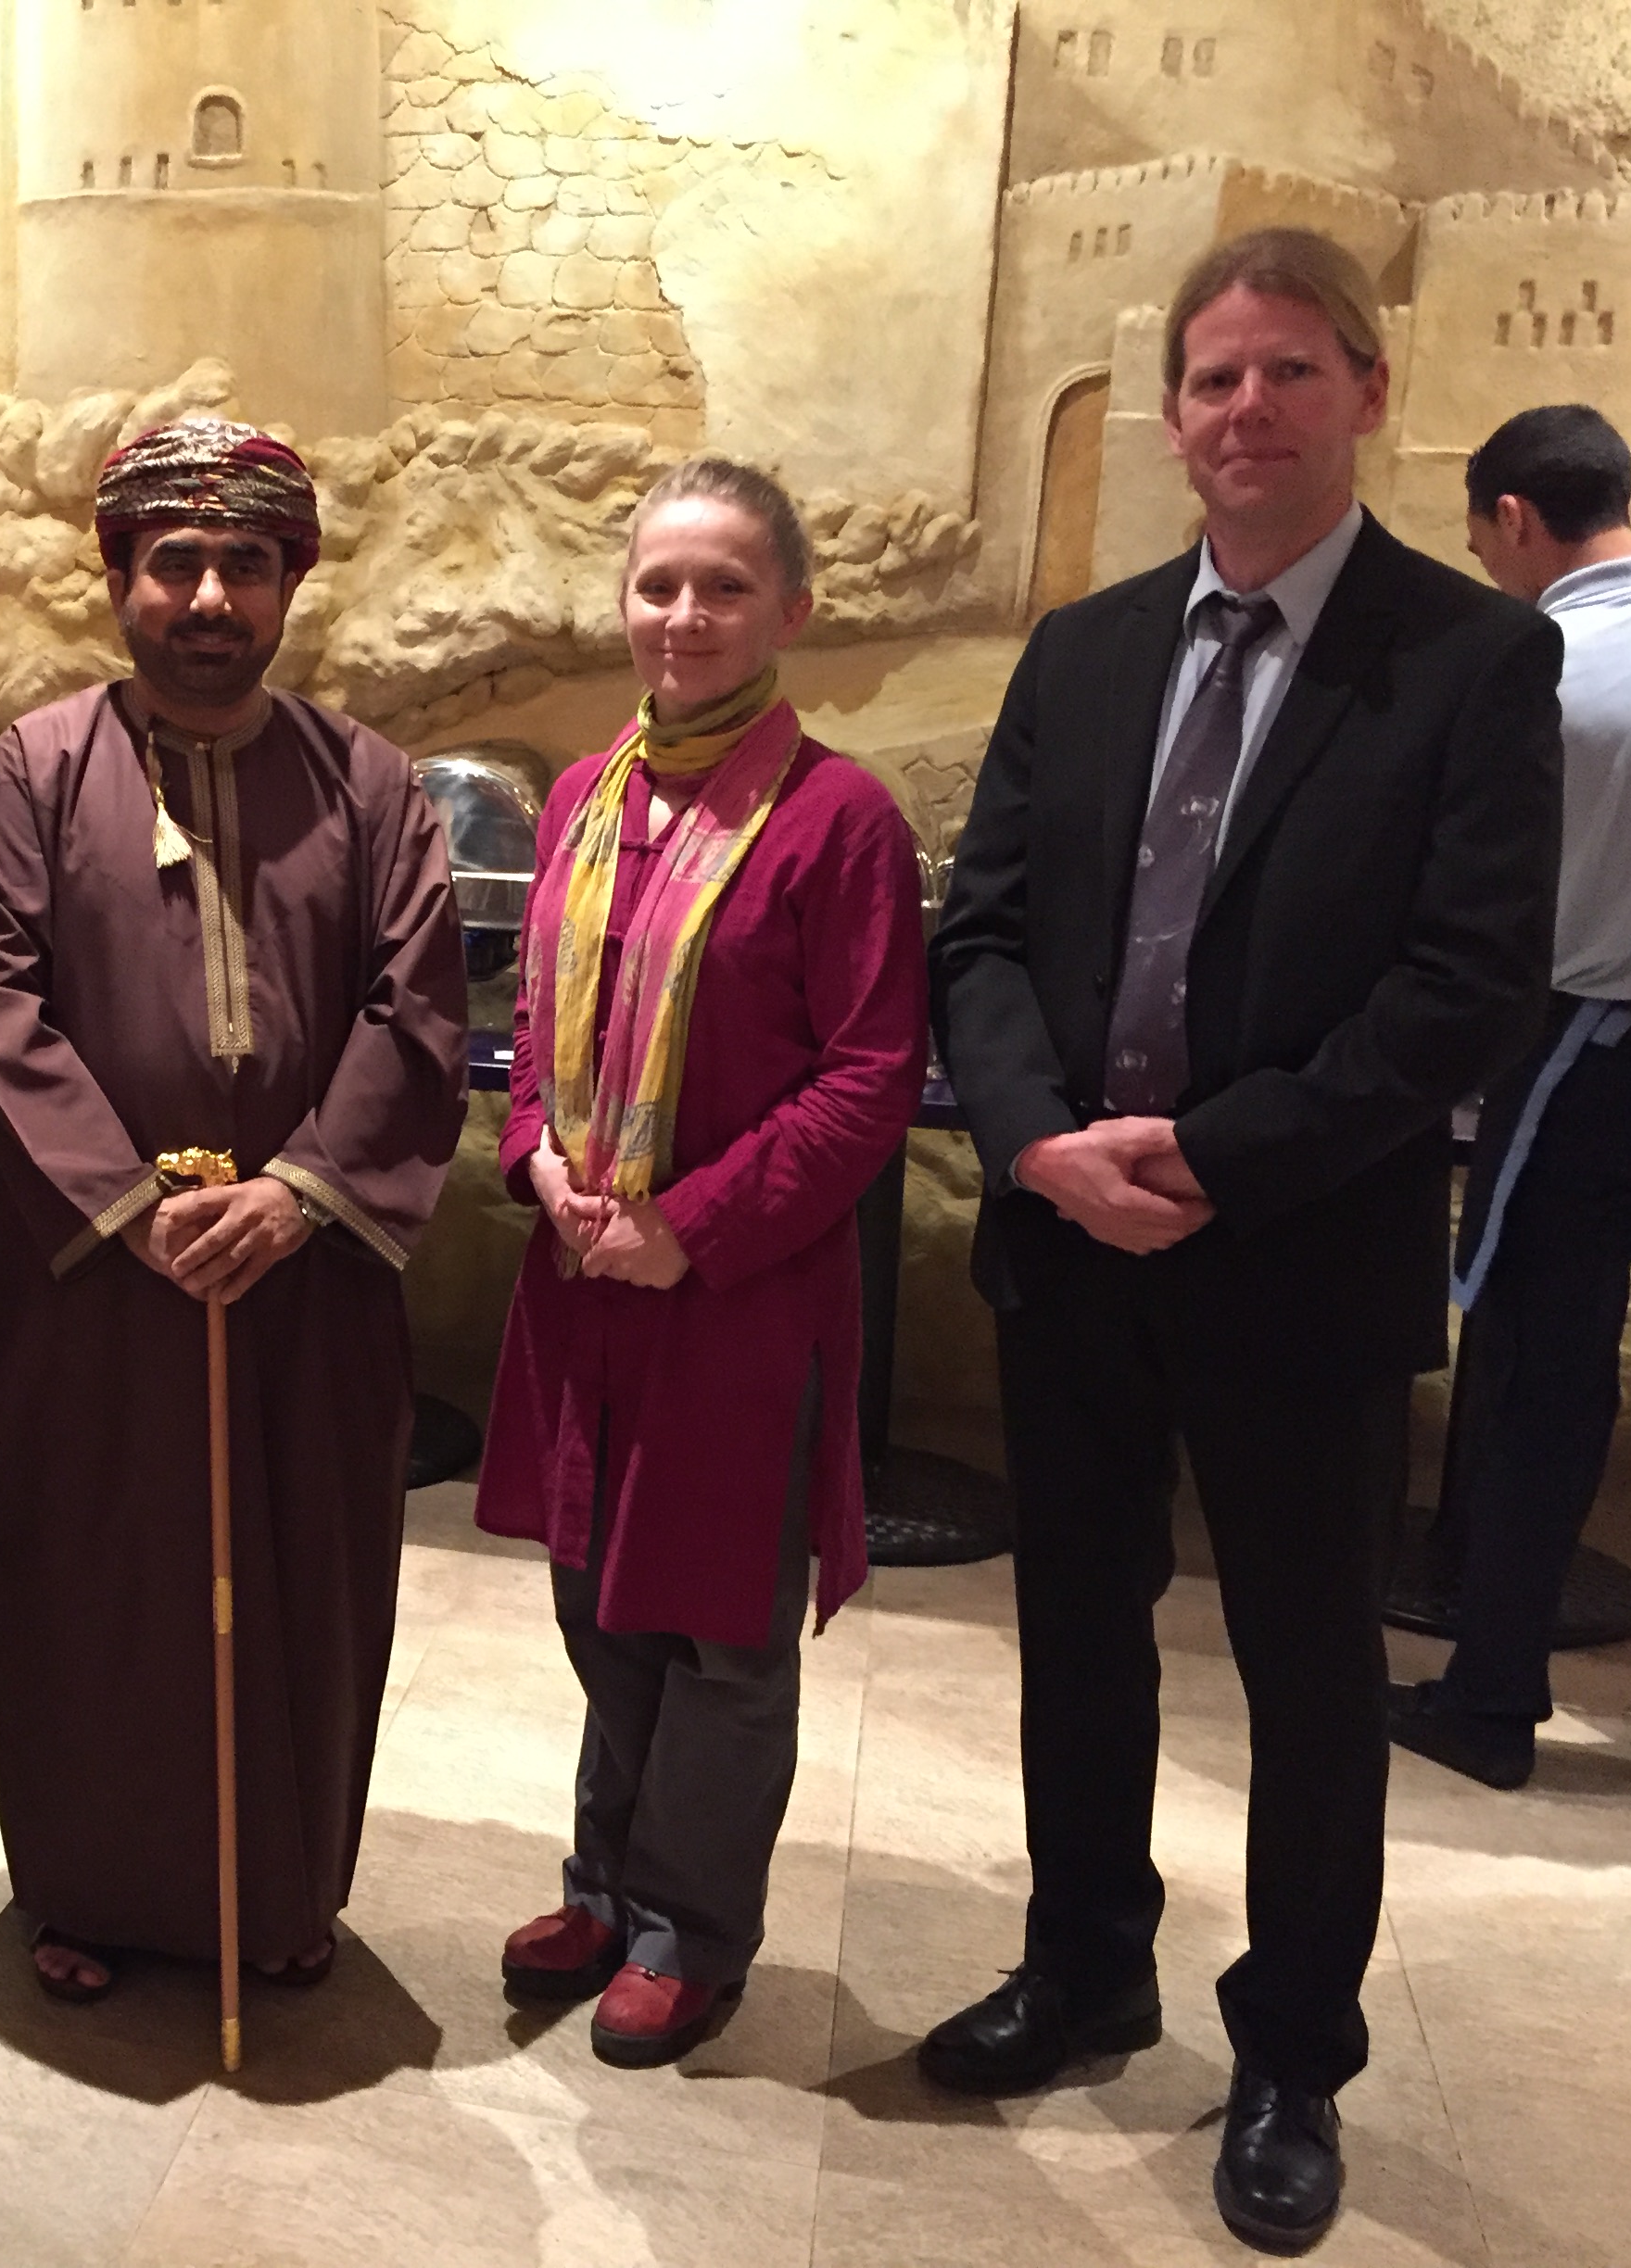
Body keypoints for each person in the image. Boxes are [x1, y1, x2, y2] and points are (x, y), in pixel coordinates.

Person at [923, 228, 1561, 2255]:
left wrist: (1210, 1153)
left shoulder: (1466, 662)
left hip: (1295, 1260)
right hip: (1070, 1249)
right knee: (1076, 1632)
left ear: (1366, 391)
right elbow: (982, 934)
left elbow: (1466, 985)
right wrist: (1036, 1143)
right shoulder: (1081, 650)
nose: (1247, 410)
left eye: (1290, 370)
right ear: (1172, 412)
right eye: (1213, 377)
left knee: (1304, 1672)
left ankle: (1291, 2054)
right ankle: (1084, 1961)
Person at [0, 417, 470, 2001]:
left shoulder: (371, 787)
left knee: (303, 1573)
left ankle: (281, 1891)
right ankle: (87, 1891)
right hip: (88, 1279)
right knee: (91, 1579)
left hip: (306, 1272)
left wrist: (302, 1190)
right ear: (118, 578)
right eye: (174, 561)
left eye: (245, 562)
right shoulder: (30, 775)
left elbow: (416, 1012)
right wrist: (130, 1204)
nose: (209, 597)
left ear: (291, 581)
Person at [475, 460, 927, 2066]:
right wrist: (535, 1154)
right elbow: (537, 1031)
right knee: (598, 1600)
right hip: (583, 1285)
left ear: (788, 608)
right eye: (657, 583)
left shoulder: (837, 819)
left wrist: (693, 1225)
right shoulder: (583, 800)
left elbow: (868, 1075)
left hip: (735, 1295)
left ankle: (689, 1927)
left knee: (719, 1634)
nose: (683, 615)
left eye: (723, 585)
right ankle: (603, 1887)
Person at [1390, 406, 1631, 1788]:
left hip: (1582, 1056)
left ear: (1513, 519)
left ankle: (1491, 1700)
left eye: (1482, 541)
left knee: (1536, 1399)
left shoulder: (1534, 665)